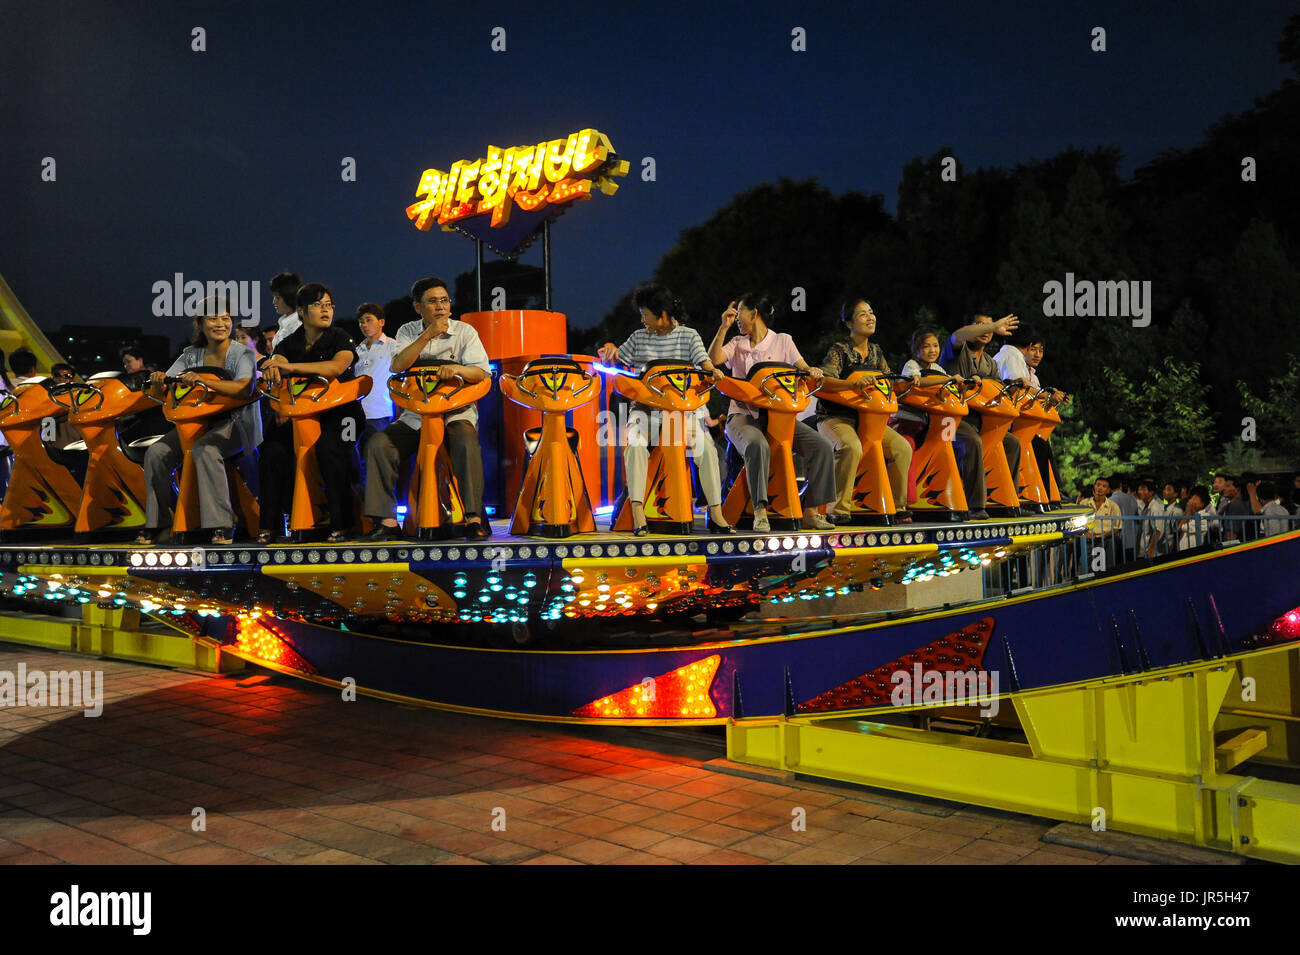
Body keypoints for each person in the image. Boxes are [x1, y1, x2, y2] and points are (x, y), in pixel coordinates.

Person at [598, 283, 733, 535]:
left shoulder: (689, 335)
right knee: (635, 444)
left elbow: (704, 363)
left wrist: (713, 372)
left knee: (707, 450)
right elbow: (615, 357)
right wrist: (610, 348)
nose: (642, 319)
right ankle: (638, 511)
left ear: (661, 314)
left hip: (683, 413)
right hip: (647, 412)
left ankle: (715, 513)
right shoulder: (639, 337)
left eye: (645, 314)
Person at [363, 277, 491, 541]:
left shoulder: (465, 332)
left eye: (444, 300)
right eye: (432, 301)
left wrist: (457, 369)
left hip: (456, 413)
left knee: (466, 443)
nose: (440, 306)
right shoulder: (407, 331)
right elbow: (398, 365)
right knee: (379, 444)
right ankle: (387, 522)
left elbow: (480, 371)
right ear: (418, 307)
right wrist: (429, 334)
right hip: (416, 416)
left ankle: (473, 518)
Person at [707, 293, 835, 532]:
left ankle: (811, 511)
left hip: (780, 420)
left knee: (822, 447)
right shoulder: (737, 344)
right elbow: (714, 360)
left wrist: (814, 371)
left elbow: (804, 368)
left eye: (739, 313)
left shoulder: (783, 341)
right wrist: (723, 328)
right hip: (743, 417)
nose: (736, 318)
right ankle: (760, 511)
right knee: (758, 445)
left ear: (754, 313)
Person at [140, 299, 261, 545]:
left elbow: (244, 388)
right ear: (200, 324)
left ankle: (222, 524)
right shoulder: (190, 355)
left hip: (234, 423)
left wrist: (204, 381)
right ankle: (159, 523)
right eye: (213, 318)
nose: (221, 323)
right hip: (195, 422)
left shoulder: (242, 353)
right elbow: (165, 387)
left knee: (205, 449)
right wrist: (158, 383)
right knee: (156, 452)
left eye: (226, 318)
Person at [258, 283, 362, 543]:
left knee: (330, 450)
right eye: (318, 305)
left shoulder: (341, 336)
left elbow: (336, 367)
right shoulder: (289, 342)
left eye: (329, 305)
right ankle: (270, 526)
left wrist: (290, 368)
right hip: (303, 415)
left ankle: (342, 523)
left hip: (343, 414)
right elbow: (278, 361)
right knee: (271, 451)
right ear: (302, 313)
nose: (325, 310)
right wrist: (273, 365)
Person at [816, 297, 912, 523]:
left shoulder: (877, 352)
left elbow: (889, 385)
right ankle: (837, 510)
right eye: (863, 314)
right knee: (851, 446)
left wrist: (907, 384)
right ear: (849, 323)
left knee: (902, 447)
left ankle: (896, 506)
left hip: (869, 421)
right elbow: (824, 381)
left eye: (871, 312)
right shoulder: (839, 350)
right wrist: (852, 385)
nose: (871, 317)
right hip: (836, 417)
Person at [937, 314, 1023, 520]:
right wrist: (992, 325)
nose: (985, 331)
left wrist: (1013, 387)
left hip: (980, 419)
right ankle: (974, 506)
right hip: (953, 418)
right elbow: (957, 336)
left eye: (989, 327)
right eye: (979, 325)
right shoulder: (958, 351)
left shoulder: (989, 363)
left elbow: (995, 391)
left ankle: (1002, 499)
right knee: (973, 442)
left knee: (1012, 443)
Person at [352, 302, 397, 447]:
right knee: (354, 458)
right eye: (361, 322)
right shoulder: (356, 351)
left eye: (368, 320)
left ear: (381, 322)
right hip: (356, 415)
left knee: (376, 457)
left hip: (381, 414)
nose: (364, 325)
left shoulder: (393, 346)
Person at [1085, 477, 1122, 566]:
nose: (1100, 488)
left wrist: (1104, 535)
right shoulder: (1084, 504)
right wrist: (1086, 534)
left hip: (1106, 540)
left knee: (1108, 566)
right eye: (1098, 485)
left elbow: (1117, 528)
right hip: (1087, 539)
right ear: (1094, 487)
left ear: (1108, 490)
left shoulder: (1113, 506)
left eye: (1104, 486)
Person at [1107, 473, 1140, 563]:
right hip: (1133, 540)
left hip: (1119, 542)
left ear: (1109, 488)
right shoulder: (1132, 498)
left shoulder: (1110, 501)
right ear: (1120, 485)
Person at [1134, 478, 1169, 558]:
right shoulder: (1147, 506)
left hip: (1151, 553)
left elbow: (1157, 531)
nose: (1140, 492)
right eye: (1139, 489)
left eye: (1143, 490)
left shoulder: (1155, 507)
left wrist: (1151, 549)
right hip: (1144, 550)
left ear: (1151, 492)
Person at [268, 271, 304, 349]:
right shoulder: (283, 324)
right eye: (274, 297)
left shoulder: (298, 327)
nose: (274, 302)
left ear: (289, 297)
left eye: (277, 297)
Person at [1177, 485, 1217, 552]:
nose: (1190, 501)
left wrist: (1188, 513)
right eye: (1191, 498)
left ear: (1202, 504)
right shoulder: (1192, 515)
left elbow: (1180, 527)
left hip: (1193, 553)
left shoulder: (1204, 517)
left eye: (1195, 499)